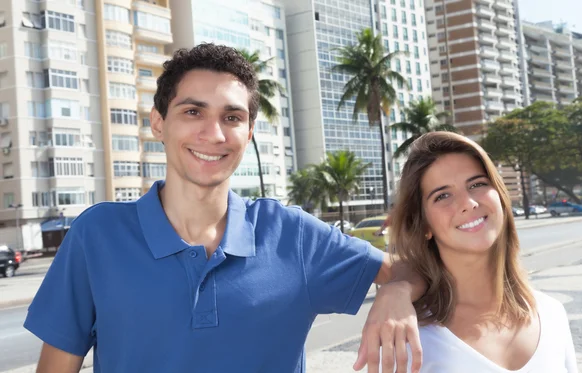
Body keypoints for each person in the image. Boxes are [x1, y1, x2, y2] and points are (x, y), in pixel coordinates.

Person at [24, 43, 423, 373]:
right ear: (159, 123)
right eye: (193, 111)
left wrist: (397, 289)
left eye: (231, 117)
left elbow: (413, 268)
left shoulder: (292, 235)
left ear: (248, 133)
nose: (213, 134)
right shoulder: (98, 235)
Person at [389, 132, 578, 372]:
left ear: (500, 196)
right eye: (443, 195)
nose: (468, 203)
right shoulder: (408, 339)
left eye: (477, 184)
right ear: (424, 225)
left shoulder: (552, 314)